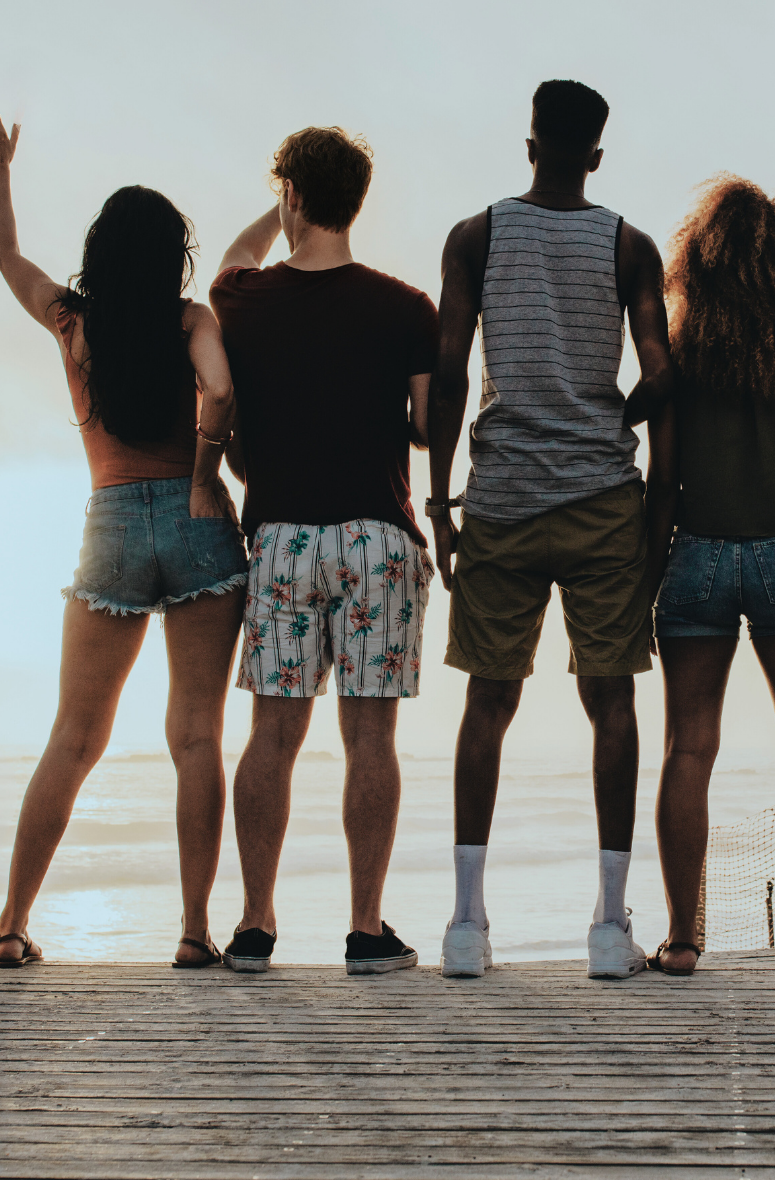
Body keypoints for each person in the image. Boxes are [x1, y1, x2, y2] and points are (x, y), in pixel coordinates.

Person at [0, 113, 248, 970]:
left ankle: (14, 923)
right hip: (201, 525)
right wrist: (205, 473)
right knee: (196, 735)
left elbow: (5, 261)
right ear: (174, 257)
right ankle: (195, 931)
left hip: (113, 522)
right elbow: (221, 387)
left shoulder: (71, 321)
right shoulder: (188, 318)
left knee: (74, 737)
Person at [426, 80, 673, 980]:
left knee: (487, 704)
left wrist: (437, 499)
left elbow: (450, 375)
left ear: (529, 143)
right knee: (612, 703)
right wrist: (619, 422)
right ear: (596, 156)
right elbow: (661, 370)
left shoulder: (476, 236)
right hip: (604, 499)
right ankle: (609, 929)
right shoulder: (628, 245)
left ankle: (465, 926)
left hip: (500, 498)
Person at [207, 126, 438, 977]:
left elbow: (231, 257)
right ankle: (366, 929)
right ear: (359, 201)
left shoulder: (244, 298)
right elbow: (425, 426)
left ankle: (256, 925)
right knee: (370, 739)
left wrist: (277, 216)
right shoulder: (408, 307)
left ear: (292, 195)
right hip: (376, 536)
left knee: (272, 736)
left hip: (280, 537)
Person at [646, 176, 775, 978]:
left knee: (687, 751)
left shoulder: (677, 349)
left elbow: (664, 472)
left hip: (694, 548)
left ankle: (683, 939)